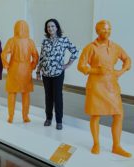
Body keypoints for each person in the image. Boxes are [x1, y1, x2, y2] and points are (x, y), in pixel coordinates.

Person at [78, 20, 132, 157]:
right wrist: (94, 70)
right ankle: (96, 143)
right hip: (96, 85)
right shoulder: (91, 47)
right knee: (96, 114)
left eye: (108, 29)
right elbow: (81, 65)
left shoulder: (115, 47)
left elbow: (127, 59)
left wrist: (121, 71)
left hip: (111, 85)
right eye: (103, 30)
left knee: (119, 114)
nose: (106, 32)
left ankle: (116, 145)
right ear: (97, 31)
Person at [36, 19, 79, 130]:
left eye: (52, 26)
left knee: (57, 97)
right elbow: (41, 58)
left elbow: (75, 51)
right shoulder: (45, 41)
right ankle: (48, 118)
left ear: (57, 28)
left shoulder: (64, 40)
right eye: (48, 27)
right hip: (46, 74)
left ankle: (59, 120)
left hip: (58, 73)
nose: (50, 28)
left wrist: (68, 64)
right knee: (48, 97)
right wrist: (38, 71)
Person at [1, 20, 39, 123]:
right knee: (25, 94)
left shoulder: (11, 40)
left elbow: (3, 54)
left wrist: (7, 65)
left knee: (12, 93)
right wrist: (32, 66)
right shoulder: (30, 41)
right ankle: (25, 116)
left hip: (14, 68)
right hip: (26, 69)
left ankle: (11, 116)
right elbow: (36, 56)